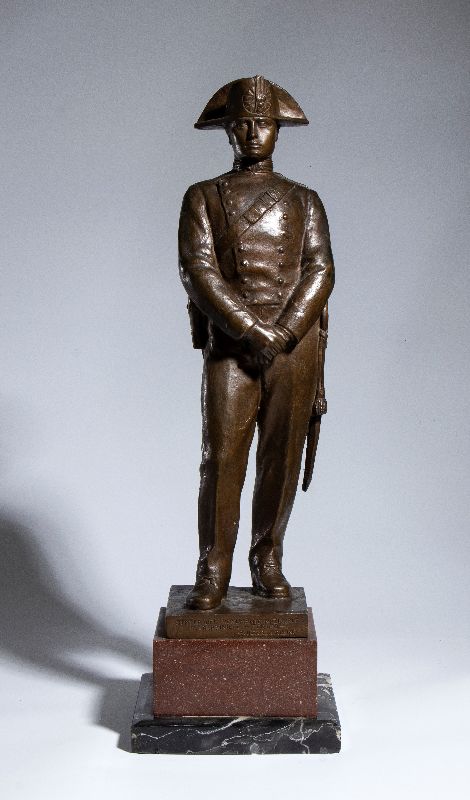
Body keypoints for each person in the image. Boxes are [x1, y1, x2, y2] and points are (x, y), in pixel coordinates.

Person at [178, 76, 334, 610]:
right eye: (241, 123)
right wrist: (249, 328)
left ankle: (267, 556)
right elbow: (198, 269)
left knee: (281, 459)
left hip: (293, 346)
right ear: (227, 130)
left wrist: (284, 332)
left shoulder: (305, 200)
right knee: (221, 459)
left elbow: (320, 269)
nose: (251, 132)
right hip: (231, 345)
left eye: (262, 122)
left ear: (277, 130)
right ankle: (213, 566)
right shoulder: (202, 196)